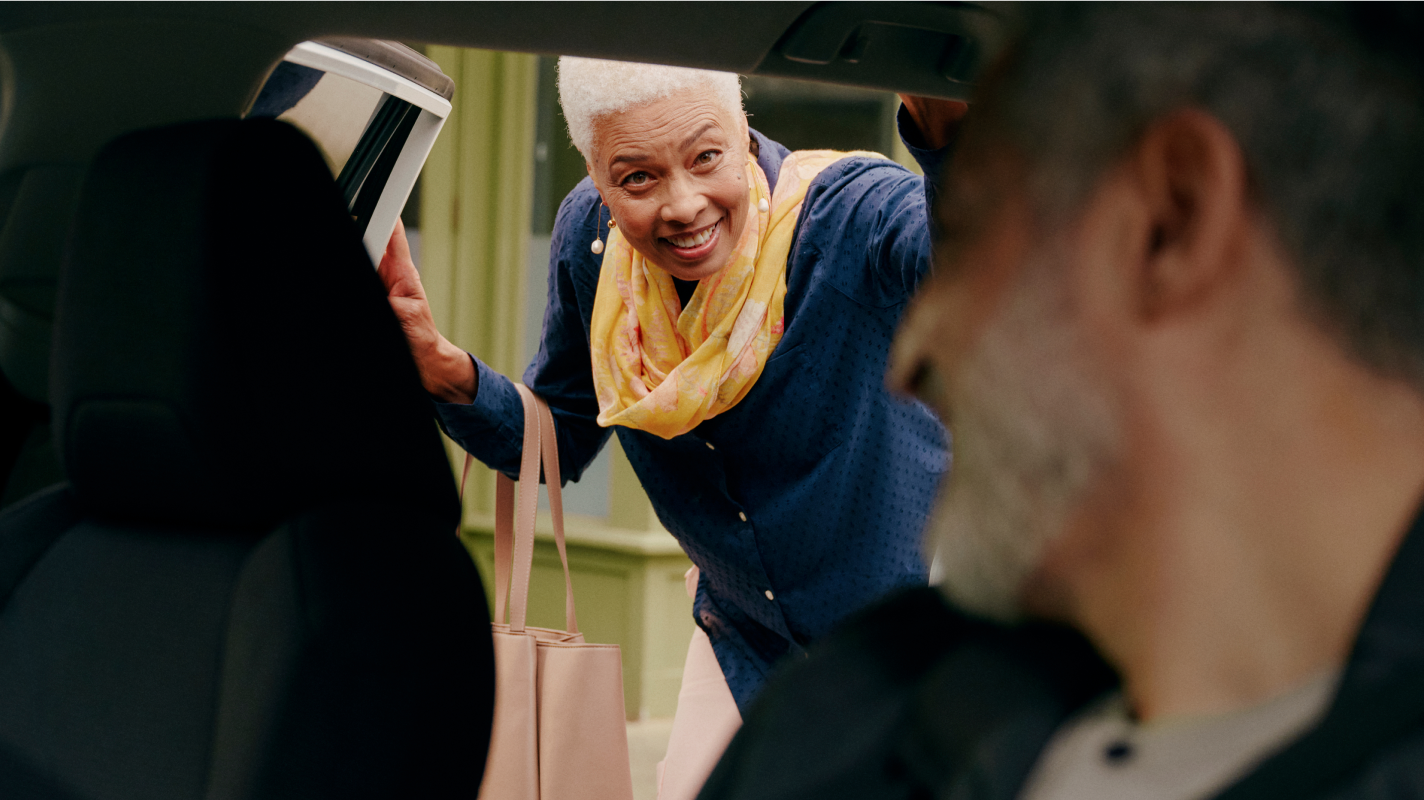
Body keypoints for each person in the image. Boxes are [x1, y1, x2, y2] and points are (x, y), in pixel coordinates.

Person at [698, 1, 1424, 798]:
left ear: (1169, 220)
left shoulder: (868, 704)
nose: (910, 363)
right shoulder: (868, 704)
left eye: (972, 231)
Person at [377, 56, 964, 799]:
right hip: (742, 635)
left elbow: (971, 271)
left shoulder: (852, 214)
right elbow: (555, 439)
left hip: (906, 650)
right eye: (637, 178)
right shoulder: (591, 244)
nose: (683, 205)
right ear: (595, 177)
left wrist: (950, 133)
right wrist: (440, 367)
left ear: (743, 131)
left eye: (706, 157)